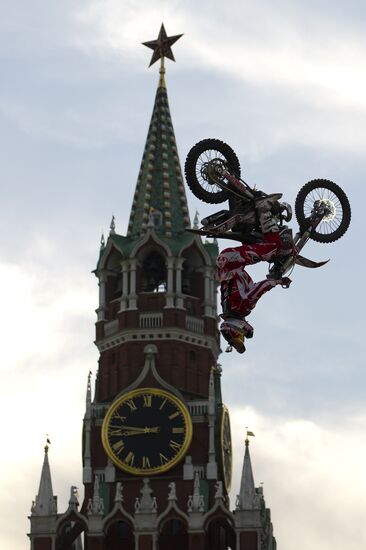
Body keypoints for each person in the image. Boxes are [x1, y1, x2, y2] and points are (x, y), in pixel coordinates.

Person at [217, 208, 294, 353]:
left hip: (230, 261)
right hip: (229, 262)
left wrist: (278, 282)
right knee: (267, 252)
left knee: (274, 247)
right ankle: (253, 218)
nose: (245, 330)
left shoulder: (242, 307)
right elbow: (250, 285)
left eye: (241, 334)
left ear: (236, 327)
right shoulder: (228, 307)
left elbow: (260, 289)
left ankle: (265, 211)